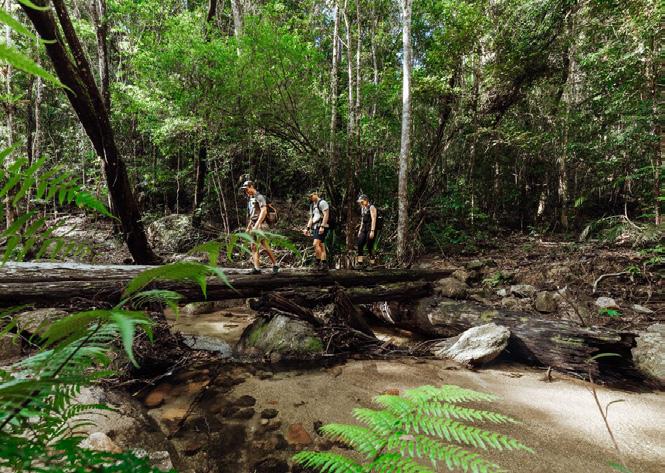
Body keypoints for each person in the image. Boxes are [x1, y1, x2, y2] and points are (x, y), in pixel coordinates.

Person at [240, 180, 279, 274]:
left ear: (251, 186)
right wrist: (249, 227)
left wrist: (257, 225)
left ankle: (275, 265)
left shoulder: (259, 197)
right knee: (253, 246)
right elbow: (252, 215)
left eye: (247, 189)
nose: (246, 191)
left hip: (261, 224)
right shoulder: (251, 199)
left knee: (263, 245)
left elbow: (264, 211)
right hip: (254, 224)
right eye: (244, 190)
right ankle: (257, 268)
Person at [303, 191, 330, 270]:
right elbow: (312, 217)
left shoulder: (322, 203)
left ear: (315, 194)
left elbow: (326, 214)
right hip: (315, 226)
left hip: (321, 226)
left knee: (315, 244)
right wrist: (307, 228)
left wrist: (322, 226)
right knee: (321, 245)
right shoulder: (312, 205)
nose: (310, 198)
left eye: (311, 196)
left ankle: (319, 262)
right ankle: (322, 264)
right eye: (309, 197)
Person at [356, 194, 378, 268]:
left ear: (366, 200)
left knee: (369, 246)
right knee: (359, 244)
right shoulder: (363, 208)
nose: (361, 203)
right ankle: (360, 263)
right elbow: (362, 220)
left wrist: (372, 231)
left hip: (370, 228)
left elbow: (374, 219)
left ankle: (372, 264)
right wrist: (360, 230)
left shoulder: (371, 207)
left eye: (362, 202)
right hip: (364, 229)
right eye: (360, 202)